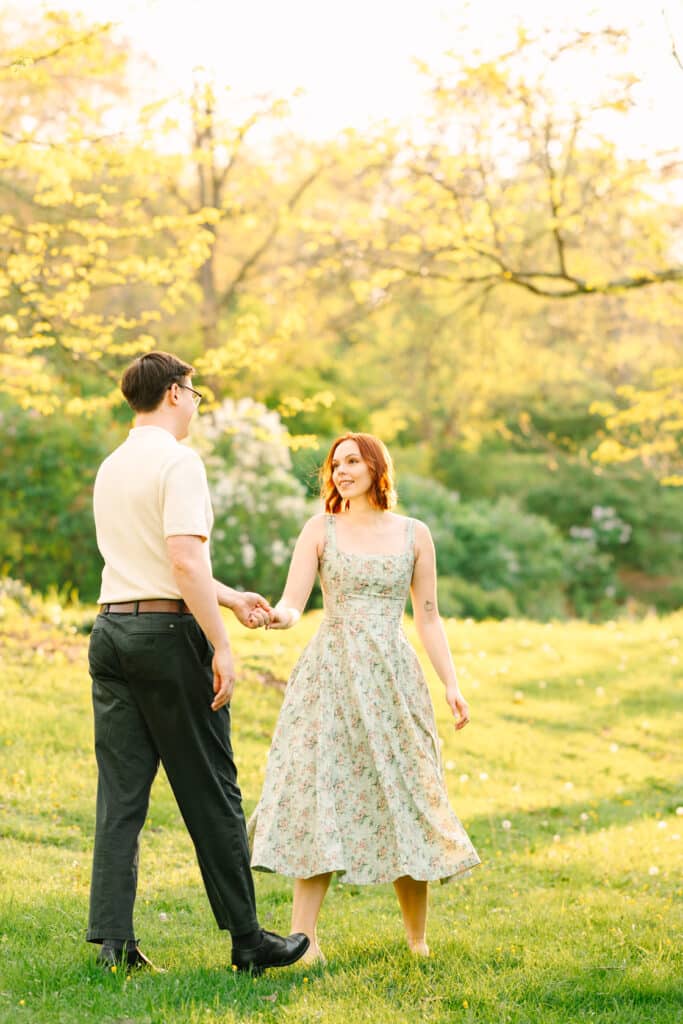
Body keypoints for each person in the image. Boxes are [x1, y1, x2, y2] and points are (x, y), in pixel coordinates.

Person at [87, 350, 309, 974]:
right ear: (177, 394)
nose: (197, 404)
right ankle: (249, 939)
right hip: (166, 638)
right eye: (196, 392)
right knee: (213, 788)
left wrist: (232, 598)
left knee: (122, 793)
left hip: (111, 632)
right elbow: (183, 560)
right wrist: (222, 644)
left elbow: (158, 563)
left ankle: (115, 942)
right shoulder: (179, 462)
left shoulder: (113, 465)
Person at [249, 432, 480, 963]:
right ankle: (303, 942)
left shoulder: (414, 534)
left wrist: (452, 684)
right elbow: (293, 601)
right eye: (336, 464)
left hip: (393, 679)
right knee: (321, 792)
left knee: (405, 793)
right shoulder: (320, 529)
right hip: (330, 674)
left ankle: (417, 940)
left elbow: (428, 616)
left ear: (377, 467)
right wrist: (275, 618)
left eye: (353, 461)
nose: (342, 471)